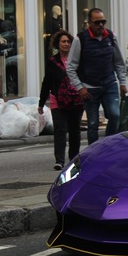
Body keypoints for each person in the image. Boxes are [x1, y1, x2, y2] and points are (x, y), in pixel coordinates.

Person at [66, 8, 127, 145]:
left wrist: (122, 82)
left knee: (115, 115)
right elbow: (70, 66)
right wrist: (80, 87)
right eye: (97, 22)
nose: (101, 25)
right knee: (92, 124)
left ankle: (108, 146)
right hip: (90, 88)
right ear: (89, 23)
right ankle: (94, 152)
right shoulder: (80, 39)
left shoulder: (111, 37)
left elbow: (118, 61)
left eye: (103, 22)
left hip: (109, 84)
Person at [38, 30, 84, 170]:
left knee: (75, 131)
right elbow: (47, 82)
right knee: (60, 130)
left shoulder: (77, 60)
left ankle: (74, 159)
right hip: (57, 100)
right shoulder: (52, 62)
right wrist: (41, 103)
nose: (66, 44)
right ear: (58, 44)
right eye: (63, 41)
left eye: (68, 42)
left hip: (75, 100)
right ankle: (59, 160)